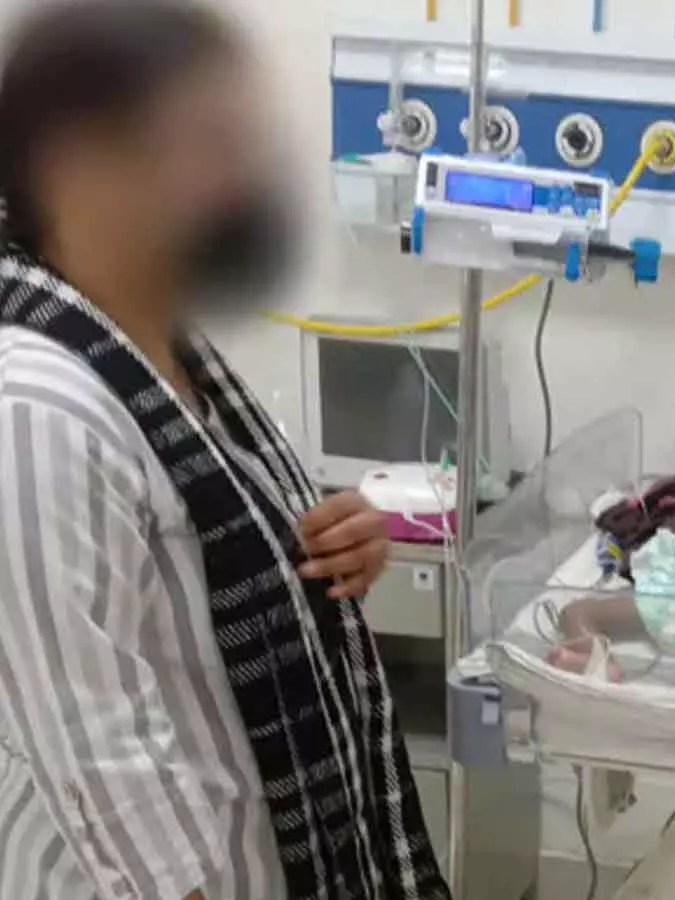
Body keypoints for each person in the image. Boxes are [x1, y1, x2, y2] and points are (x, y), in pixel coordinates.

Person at [0, 3, 449, 899]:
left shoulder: (161, 354)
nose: (243, 185)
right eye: (208, 143)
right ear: (79, 167)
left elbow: (208, 574)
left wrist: (336, 548)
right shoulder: (37, 403)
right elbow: (98, 747)